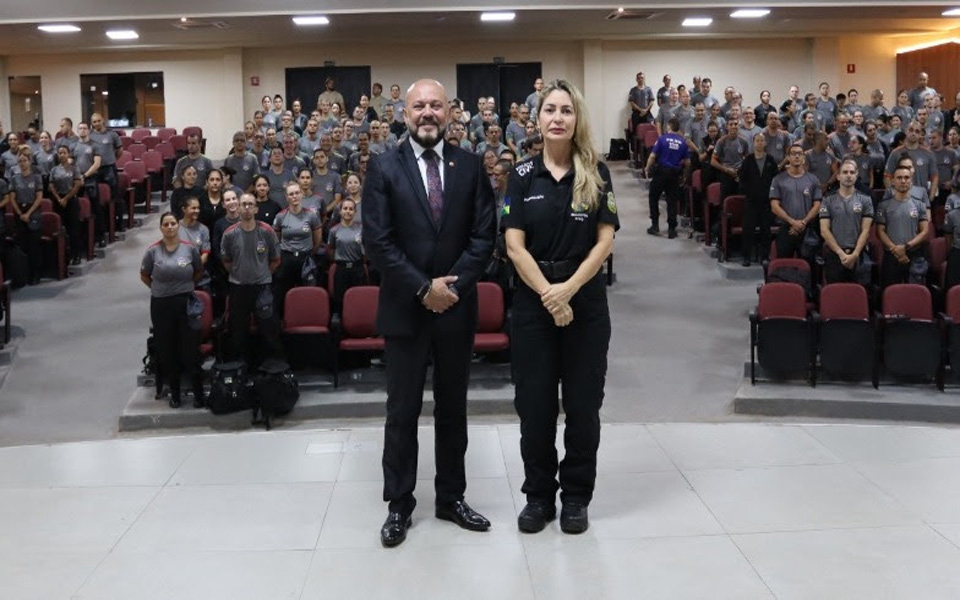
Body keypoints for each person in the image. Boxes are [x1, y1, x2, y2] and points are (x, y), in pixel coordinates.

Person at [362, 78, 496, 548]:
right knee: (401, 411)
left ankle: (450, 497)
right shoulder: (383, 167)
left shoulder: (471, 166)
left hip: (456, 309)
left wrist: (449, 288)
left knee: (453, 409)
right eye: (419, 105)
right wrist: (423, 288)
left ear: (450, 112)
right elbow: (377, 241)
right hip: (405, 309)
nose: (427, 113)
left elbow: (484, 237)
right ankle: (399, 504)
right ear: (404, 111)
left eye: (435, 105)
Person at [502, 79, 618, 536]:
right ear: (538, 118)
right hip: (534, 304)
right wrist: (551, 295)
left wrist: (567, 289)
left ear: (576, 119)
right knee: (534, 407)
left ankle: (575, 498)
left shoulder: (596, 172)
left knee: (584, 406)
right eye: (550, 109)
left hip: (584, 300)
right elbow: (513, 245)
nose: (557, 117)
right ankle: (537, 497)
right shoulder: (522, 174)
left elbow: (605, 241)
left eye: (566, 110)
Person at [140, 212, 205, 409]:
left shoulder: (189, 248)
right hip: (161, 305)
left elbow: (198, 271)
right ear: (161, 228)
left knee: (190, 349)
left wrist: (184, 286)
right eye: (166, 224)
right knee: (168, 349)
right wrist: (159, 289)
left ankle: (199, 394)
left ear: (178, 226)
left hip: (185, 302)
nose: (169, 227)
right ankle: (175, 394)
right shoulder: (152, 252)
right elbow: (144, 275)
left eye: (173, 224)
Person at [220, 193, 284, 363]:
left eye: (250, 204)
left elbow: (276, 259)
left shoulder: (267, 231)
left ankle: (272, 369)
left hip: (262, 287)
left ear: (256, 208)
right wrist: (239, 273)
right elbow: (226, 261)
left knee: (269, 331)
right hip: (238, 288)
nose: (247, 207)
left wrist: (261, 273)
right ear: (238, 207)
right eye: (243, 204)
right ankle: (240, 370)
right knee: (238, 333)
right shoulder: (229, 234)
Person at [819, 159, 875, 284]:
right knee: (835, 295)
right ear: (838, 176)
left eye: (851, 172)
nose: (848, 175)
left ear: (856, 175)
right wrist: (841, 254)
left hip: (858, 255)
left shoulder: (866, 200)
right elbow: (824, 230)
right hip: (834, 255)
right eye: (845, 172)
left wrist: (855, 254)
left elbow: (866, 231)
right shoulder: (827, 200)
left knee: (857, 296)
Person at [272, 181, 322, 317]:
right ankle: (281, 323)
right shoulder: (280, 216)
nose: (294, 196)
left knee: (306, 294)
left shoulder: (311, 215)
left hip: (305, 258)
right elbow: (276, 239)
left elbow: (317, 238)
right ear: (286, 197)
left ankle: (306, 320)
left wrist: (311, 252)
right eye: (291, 194)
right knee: (280, 294)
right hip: (286, 258)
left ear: (301, 194)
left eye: (296, 193)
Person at [876, 166, 929, 288]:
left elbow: (925, 231)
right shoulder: (883, 205)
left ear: (911, 181)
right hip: (891, 256)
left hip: (913, 255)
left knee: (914, 295)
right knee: (889, 293)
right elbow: (880, 231)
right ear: (893, 181)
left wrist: (905, 247)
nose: (903, 181)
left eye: (906, 177)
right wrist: (896, 249)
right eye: (899, 178)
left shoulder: (920, 205)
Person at [770, 143, 823, 259]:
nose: (797, 156)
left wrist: (803, 222)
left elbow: (817, 205)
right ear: (788, 157)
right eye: (793, 154)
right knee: (784, 264)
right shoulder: (778, 179)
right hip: (786, 228)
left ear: (804, 157)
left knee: (808, 266)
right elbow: (774, 206)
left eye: (800, 154)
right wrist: (792, 222)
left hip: (808, 229)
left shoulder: (813, 179)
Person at [739, 132, 780, 266]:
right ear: (753, 142)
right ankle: (746, 256)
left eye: (762, 140)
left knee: (765, 230)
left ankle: (765, 256)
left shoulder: (770, 160)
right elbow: (742, 179)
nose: (760, 143)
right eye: (757, 140)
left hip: (766, 202)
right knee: (748, 229)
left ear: (765, 143)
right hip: (751, 201)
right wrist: (748, 191)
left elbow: (776, 179)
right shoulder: (748, 160)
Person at [645, 117, 689, 238]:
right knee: (672, 201)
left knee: (653, 196)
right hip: (675, 174)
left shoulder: (662, 139)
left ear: (668, 127)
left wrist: (647, 168)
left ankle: (655, 225)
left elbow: (653, 156)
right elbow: (687, 162)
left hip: (661, 172)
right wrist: (685, 175)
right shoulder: (683, 142)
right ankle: (671, 229)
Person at [9, 149, 44, 284]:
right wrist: (20, 213)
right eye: (20, 161)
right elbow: (12, 198)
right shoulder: (14, 178)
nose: (22, 163)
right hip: (19, 211)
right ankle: (23, 274)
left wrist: (28, 213)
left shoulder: (36, 177)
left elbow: (39, 197)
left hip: (33, 211)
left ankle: (36, 274)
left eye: (25, 161)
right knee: (22, 245)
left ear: (29, 162)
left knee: (34, 246)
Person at [327, 198, 366, 313]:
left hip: (357, 268)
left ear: (354, 212)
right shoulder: (334, 230)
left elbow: (366, 251)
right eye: (345, 208)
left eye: (351, 209)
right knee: (340, 300)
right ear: (340, 211)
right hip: (341, 269)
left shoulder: (362, 229)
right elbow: (331, 250)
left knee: (359, 299)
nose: (348, 211)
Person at [49, 146, 84, 266]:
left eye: (64, 152)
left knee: (74, 229)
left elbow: (77, 184)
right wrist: (59, 198)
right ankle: (65, 256)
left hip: (71, 201)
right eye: (59, 153)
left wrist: (66, 198)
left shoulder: (74, 168)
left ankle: (76, 255)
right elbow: (51, 185)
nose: (62, 155)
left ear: (68, 154)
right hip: (59, 201)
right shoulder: (54, 170)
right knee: (61, 230)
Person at [178, 196, 212, 292]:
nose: (197, 211)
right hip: (179, 279)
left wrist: (193, 270)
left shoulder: (203, 229)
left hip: (200, 280)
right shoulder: (175, 227)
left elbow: (205, 253)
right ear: (184, 209)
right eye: (193, 208)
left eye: (198, 208)